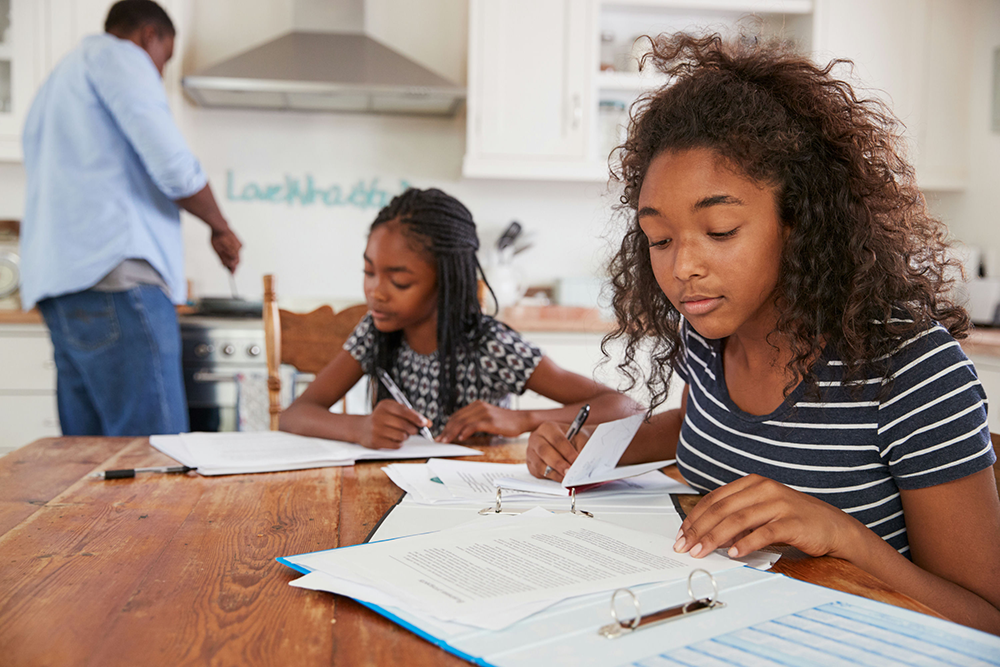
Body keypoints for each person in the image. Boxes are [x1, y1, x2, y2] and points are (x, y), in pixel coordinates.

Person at [527, 32, 1000, 633]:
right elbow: (707, 425)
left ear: (799, 220)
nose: (681, 268)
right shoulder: (711, 327)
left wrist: (840, 535)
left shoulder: (908, 365)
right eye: (660, 239)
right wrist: (596, 447)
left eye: (720, 230)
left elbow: (988, 622)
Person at [20, 0, 242, 436]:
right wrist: (220, 226)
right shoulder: (120, 57)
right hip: (116, 280)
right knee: (153, 456)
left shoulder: (58, 81)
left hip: (61, 287)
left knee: (88, 462)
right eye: (165, 58)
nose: (159, 72)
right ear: (149, 37)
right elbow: (173, 165)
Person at [280, 187, 640, 448]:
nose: (376, 291)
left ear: (447, 282)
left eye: (400, 281)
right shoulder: (374, 331)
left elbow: (624, 408)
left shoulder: (489, 345)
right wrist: (358, 428)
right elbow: (295, 415)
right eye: (369, 272)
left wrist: (523, 420)